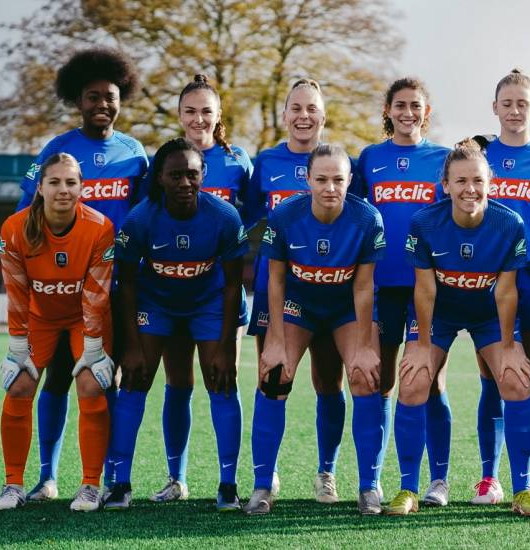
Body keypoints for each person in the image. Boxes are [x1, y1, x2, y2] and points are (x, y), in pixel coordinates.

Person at [17, 47, 148, 502]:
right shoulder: (58, 150)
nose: (102, 105)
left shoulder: (134, 153)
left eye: (110, 97)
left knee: (102, 378)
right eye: (92, 97)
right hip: (59, 287)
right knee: (54, 378)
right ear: (79, 101)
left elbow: (146, 215)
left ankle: (104, 479)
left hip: (113, 287)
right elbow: (26, 215)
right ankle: (47, 476)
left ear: (121, 98)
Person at [386, 139, 530, 516]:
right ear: (446, 184)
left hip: (489, 313)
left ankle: (521, 490)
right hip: (440, 313)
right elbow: (424, 290)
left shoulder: (509, 223)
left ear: (491, 182)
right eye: (460, 181)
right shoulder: (425, 222)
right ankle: (410, 487)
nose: (469, 189)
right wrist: (422, 344)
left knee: (516, 379)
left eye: (477, 180)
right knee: (413, 379)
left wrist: (508, 344)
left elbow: (505, 292)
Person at [104, 138, 248, 510]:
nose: (185, 182)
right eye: (176, 175)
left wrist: (228, 346)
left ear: (203, 175)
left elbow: (234, 285)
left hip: (208, 304)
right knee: (135, 382)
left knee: (222, 383)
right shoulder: (139, 219)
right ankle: (120, 484)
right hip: (157, 304)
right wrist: (132, 346)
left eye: (192, 174)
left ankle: (228, 486)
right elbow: (127, 284)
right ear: (160, 179)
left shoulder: (225, 217)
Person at [244, 144, 386, 515]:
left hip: (343, 307)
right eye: (321, 179)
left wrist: (368, 344)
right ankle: (262, 485)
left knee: (365, 375)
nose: (329, 187)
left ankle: (365, 485)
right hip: (299, 304)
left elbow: (364, 286)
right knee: (274, 375)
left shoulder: (367, 219)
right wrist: (273, 341)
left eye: (338, 179)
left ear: (350, 181)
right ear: (307, 179)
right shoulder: (285, 216)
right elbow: (275, 281)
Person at [243, 79, 353, 502]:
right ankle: (264, 475)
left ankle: (327, 472)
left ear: (323, 117)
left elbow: (355, 220)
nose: (304, 116)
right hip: (277, 288)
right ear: (285, 114)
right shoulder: (266, 162)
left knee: (329, 381)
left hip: (331, 288)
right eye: (296, 108)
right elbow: (247, 217)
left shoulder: (344, 163)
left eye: (312, 109)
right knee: (273, 377)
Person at [150, 74, 254, 504]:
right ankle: (176, 478)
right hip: (172, 292)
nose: (198, 119)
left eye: (206, 111)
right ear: (179, 115)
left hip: (220, 291)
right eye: (190, 111)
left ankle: (228, 484)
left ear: (218, 116)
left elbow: (260, 213)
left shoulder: (239, 163)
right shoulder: (163, 161)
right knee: (178, 382)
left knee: (222, 379)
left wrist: (233, 248)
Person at [0, 153, 115, 512]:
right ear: (40, 188)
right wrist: (17, 347)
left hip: (83, 319)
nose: (64, 190)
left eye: (71, 182)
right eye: (55, 182)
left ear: (82, 187)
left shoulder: (99, 227)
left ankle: (91, 485)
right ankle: (13, 483)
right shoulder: (14, 229)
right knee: (19, 385)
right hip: (39, 320)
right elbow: (16, 291)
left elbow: (96, 295)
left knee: (91, 384)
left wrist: (93, 348)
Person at [471, 69, 530, 507]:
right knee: (492, 379)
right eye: (506, 103)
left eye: (522, 104)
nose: (514, 111)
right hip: (486, 280)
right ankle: (489, 478)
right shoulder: (478, 155)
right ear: (494, 108)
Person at [353, 77, 451, 506]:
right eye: (400, 105)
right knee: (382, 381)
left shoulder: (443, 158)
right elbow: (354, 217)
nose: (408, 112)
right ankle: (372, 483)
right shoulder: (370, 158)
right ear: (388, 111)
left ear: (426, 112)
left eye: (416, 105)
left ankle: (438, 481)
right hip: (381, 287)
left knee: (431, 383)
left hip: (428, 288)